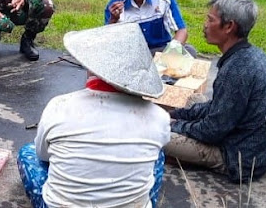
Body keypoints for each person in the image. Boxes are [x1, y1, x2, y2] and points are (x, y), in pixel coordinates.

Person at [17, 23, 170, 208]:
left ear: (92, 67)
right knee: (158, 155)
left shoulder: (59, 106)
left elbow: (43, 155)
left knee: (27, 152)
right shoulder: (160, 117)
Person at [165, 0, 266, 183]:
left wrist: (175, 125)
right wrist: (178, 114)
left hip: (244, 159)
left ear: (229, 26)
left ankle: (191, 158)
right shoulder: (251, 54)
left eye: (210, 19)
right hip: (263, 147)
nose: (205, 24)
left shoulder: (236, 70)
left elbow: (212, 131)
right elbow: (218, 107)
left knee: (158, 135)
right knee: (194, 101)